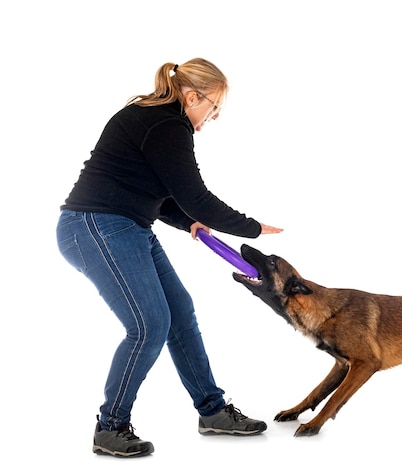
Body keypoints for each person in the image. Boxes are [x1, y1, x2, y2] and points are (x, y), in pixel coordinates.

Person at [56, 58, 283, 457]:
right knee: (149, 324)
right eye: (213, 108)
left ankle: (212, 410)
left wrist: (187, 222)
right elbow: (195, 196)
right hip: (95, 226)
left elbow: (159, 195)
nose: (213, 118)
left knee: (179, 312)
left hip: (126, 225)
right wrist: (251, 227)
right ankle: (110, 426)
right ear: (192, 96)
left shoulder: (156, 119)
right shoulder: (167, 123)